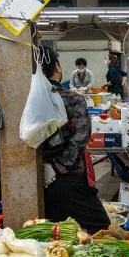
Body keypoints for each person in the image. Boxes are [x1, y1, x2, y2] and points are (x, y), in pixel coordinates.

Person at [37, 48, 112, 233]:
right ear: (57, 67)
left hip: (37, 179)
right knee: (101, 228)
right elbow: (80, 139)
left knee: (56, 233)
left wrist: (45, 168)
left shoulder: (29, 101)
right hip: (69, 178)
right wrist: (57, 167)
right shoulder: (71, 99)